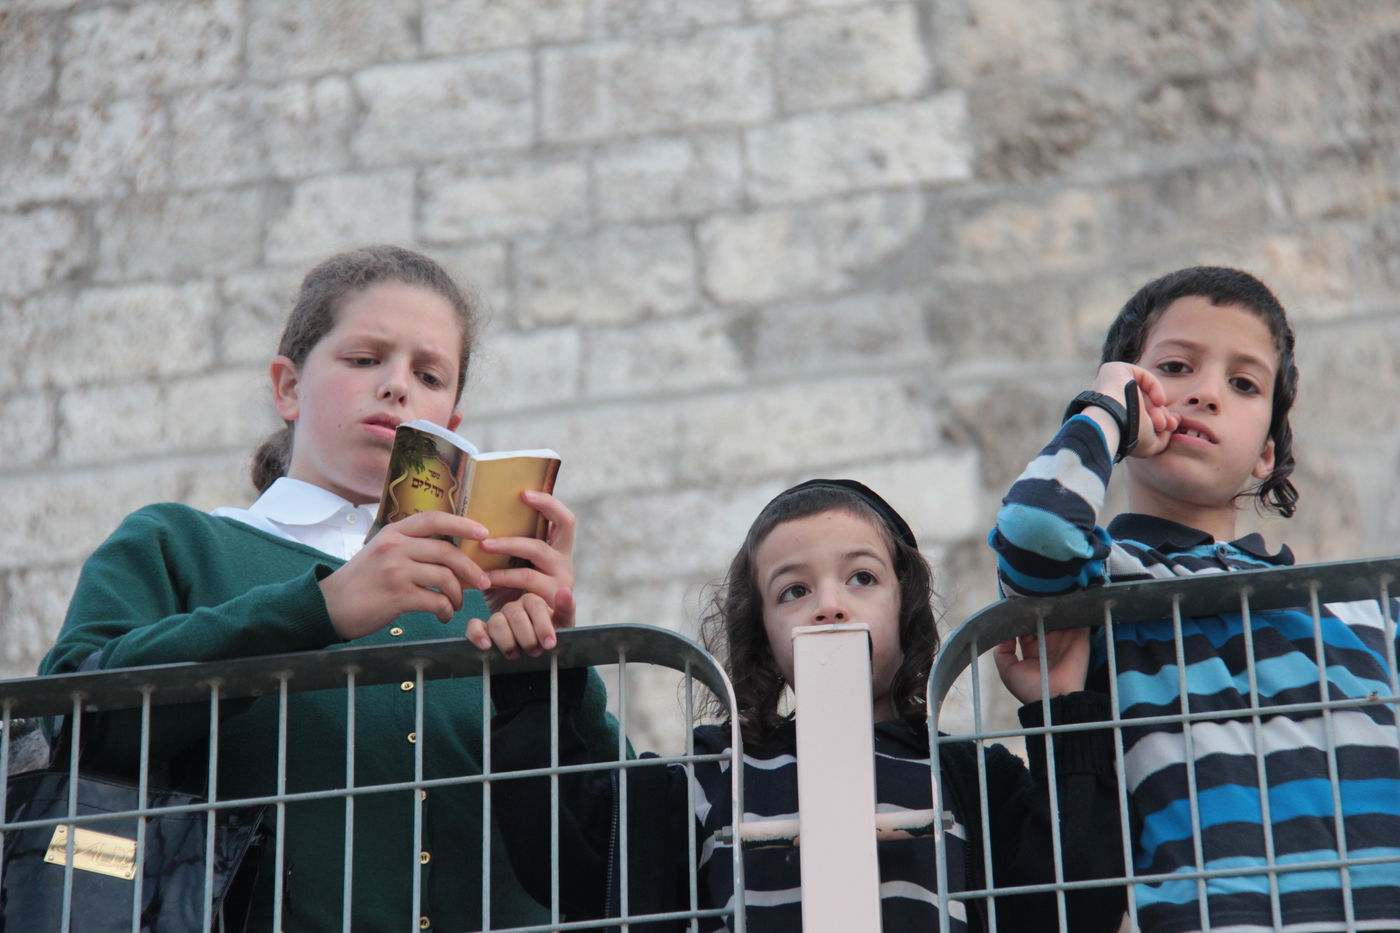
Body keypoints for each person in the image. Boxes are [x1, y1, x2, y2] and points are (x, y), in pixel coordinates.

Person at [38, 245, 619, 931]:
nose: (397, 385)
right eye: (365, 359)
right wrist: (319, 608)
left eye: (430, 374)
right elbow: (71, 721)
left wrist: (552, 671)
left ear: (451, 426)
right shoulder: (179, 543)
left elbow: (617, 843)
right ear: (287, 387)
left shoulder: (484, 593)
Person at [490, 479, 1125, 932]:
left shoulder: (969, 778)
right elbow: (562, 854)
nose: (829, 603)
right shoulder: (710, 776)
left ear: (905, 612)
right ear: (761, 637)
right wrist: (531, 677)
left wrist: (1062, 706)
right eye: (793, 589)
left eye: (862, 578)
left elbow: (1077, 901)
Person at [990, 265, 1400, 930]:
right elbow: (1036, 529)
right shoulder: (1098, 586)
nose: (1206, 393)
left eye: (1243, 383)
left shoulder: (1363, 609)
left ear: (1267, 451)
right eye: (1175, 368)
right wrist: (1104, 410)